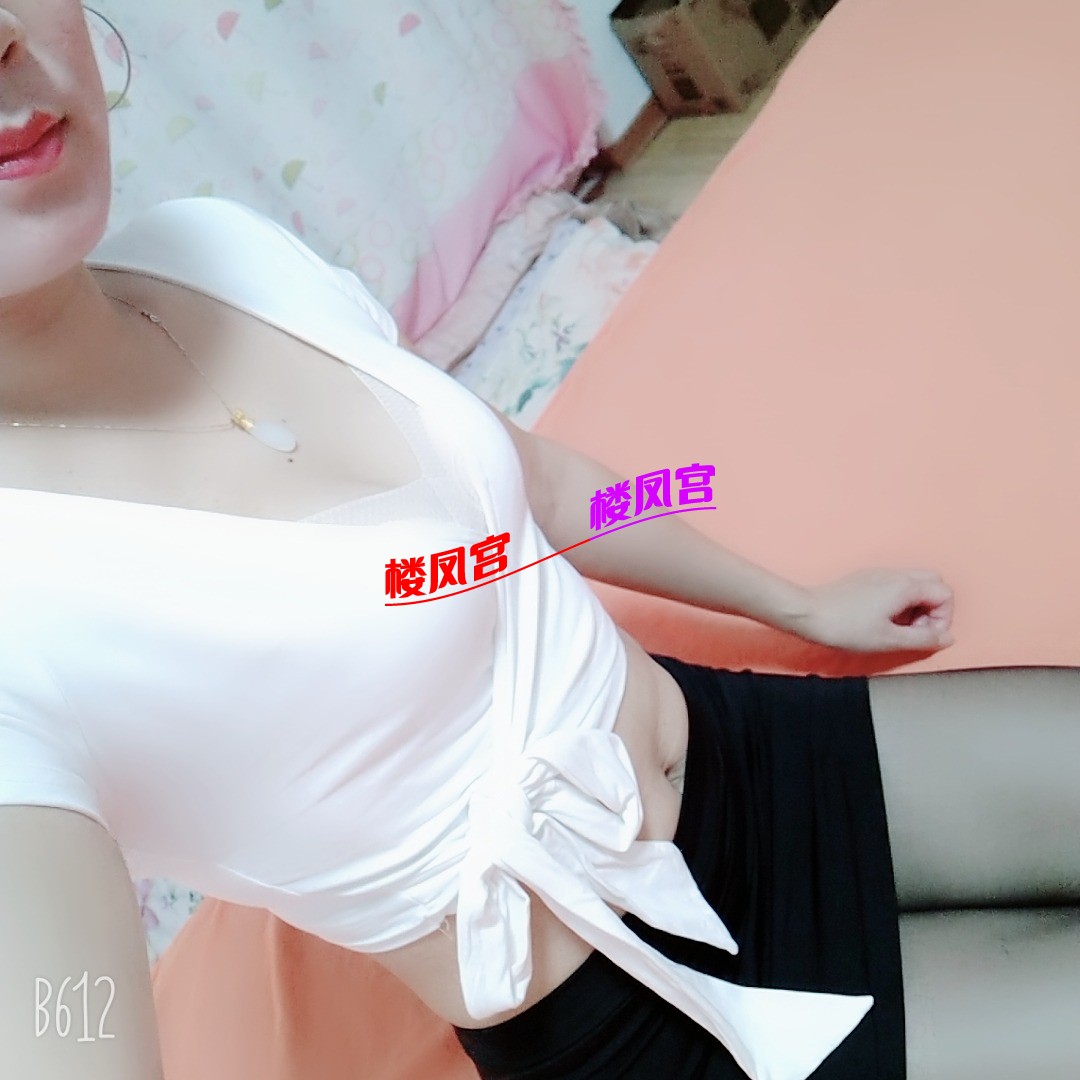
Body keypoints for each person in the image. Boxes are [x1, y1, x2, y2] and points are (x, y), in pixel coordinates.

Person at [0, 4, 1077, 1080]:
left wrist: (792, 600)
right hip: (639, 1019)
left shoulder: (216, 249)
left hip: (742, 753)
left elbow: (538, 489)